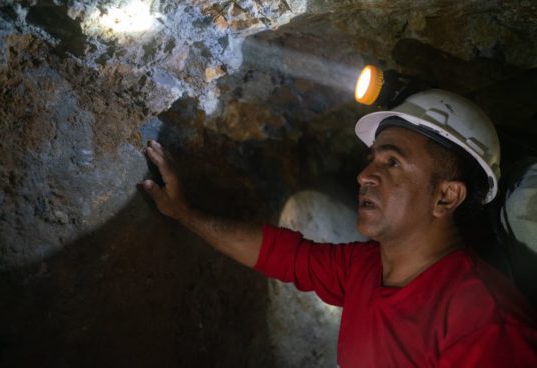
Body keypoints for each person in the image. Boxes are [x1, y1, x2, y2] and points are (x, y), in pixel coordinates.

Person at [142, 89, 537, 367]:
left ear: (447, 197)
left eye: (392, 162)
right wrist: (185, 213)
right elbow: (283, 255)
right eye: (372, 159)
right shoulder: (363, 269)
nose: (365, 174)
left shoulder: (486, 323)